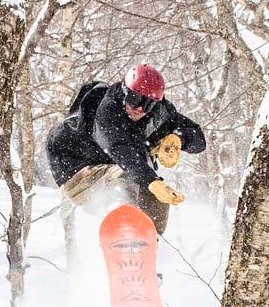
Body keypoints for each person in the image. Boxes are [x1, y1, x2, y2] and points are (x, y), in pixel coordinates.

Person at [45, 62, 206, 236]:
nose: (139, 108)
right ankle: (125, 231)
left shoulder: (159, 113)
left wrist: (179, 139)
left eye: (147, 104)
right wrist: (151, 180)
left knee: (157, 191)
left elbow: (199, 139)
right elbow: (120, 150)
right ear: (124, 91)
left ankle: (150, 242)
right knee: (130, 177)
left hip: (113, 168)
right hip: (76, 166)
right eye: (135, 99)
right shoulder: (107, 111)